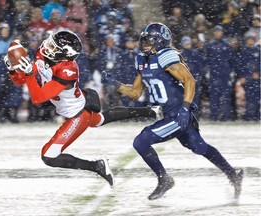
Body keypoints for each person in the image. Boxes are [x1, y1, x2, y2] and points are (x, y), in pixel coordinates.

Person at [101, 23, 244, 200]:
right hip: (170, 114)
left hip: (177, 115)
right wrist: (116, 85)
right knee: (199, 147)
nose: (145, 44)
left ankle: (164, 179)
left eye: (150, 40)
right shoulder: (143, 60)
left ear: (161, 41)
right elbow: (136, 92)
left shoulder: (165, 56)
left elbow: (190, 80)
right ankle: (233, 174)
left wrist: (185, 107)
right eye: (144, 40)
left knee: (141, 142)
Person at [3, 30, 162, 187]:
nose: (47, 47)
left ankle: (97, 166)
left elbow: (38, 97)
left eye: (53, 47)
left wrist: (30, 75)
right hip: (79, 104)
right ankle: (151, 111)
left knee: (49, 155)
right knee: (101, 119)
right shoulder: (43, 54)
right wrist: (13, 69)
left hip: (77, 114)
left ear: (65, 54)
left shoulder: (67, 69)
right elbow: (20, 80)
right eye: (50, 43)